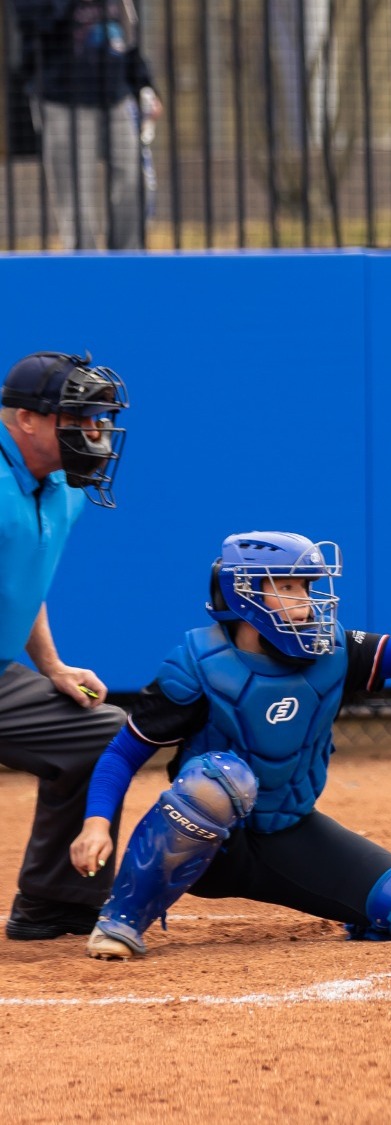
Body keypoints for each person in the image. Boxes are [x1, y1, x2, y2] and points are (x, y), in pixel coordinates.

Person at [70, 528, 391, 959]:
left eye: (307, 587)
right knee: (220, 778)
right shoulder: (197, 664)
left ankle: (362, 913)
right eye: (287, 588)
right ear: (244, 595)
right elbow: (124, 753)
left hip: (288, 831)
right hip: (211, 847)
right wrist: (96, 825)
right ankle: (122, 919)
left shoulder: (330, 651)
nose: (306, 602)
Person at [0, 352, 130, 941]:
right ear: (25, 419)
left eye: (100, 419)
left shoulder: (63, 488)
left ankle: (54, 902)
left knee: (103, 733)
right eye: (80, 418)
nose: (96, 433)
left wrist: (49, 664)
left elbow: (25, 575)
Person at [11, 0, 161, 249]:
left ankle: (128, 264)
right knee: (75, 199)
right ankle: (83, 269)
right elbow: (32, 20)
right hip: (62, 96)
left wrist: (143, 84)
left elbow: (128, 31)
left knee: (133, 182)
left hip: (115, 94)